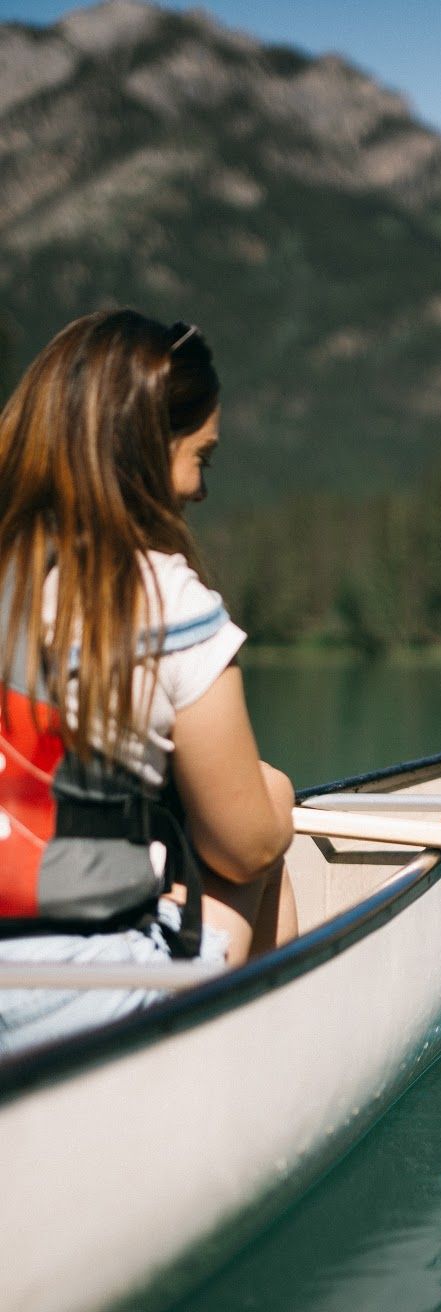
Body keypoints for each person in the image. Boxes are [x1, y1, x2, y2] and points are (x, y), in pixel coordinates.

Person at [0, 309, 296, 1053]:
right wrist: (274, 811)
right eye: (202, 458)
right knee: (266, 811)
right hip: (78, 998)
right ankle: (269, 1059)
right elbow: (244, 850)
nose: (199, 489)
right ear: (144, 452)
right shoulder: (163, 602)